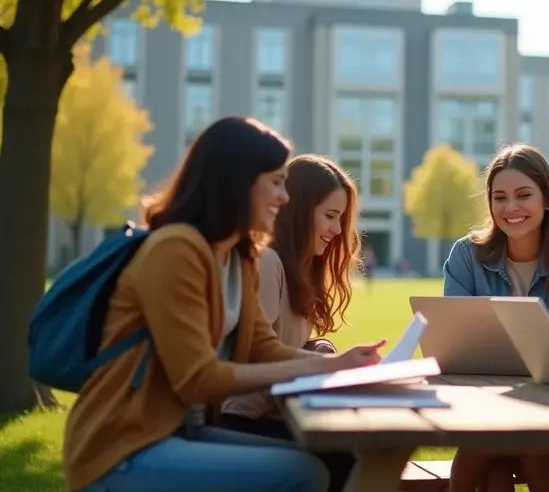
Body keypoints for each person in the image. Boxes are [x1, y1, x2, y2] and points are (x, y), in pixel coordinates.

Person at [64, 117, 385, 492]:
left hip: (179, 431)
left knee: (321, 467)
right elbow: (199, 377)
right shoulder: (175, 250)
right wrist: (321, 369)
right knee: (300, 473)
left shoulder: (240, 257)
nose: (284, 198)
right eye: (276, 184)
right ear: (238, 183)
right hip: (121, 447)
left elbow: (263, 347)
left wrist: (340, 365)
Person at [442, 143, 549, 492]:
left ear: (546, 198)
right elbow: (454, 339)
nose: (510, 208)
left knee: (521, 450)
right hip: (486, 396)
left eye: (523, 195)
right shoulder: (466, 255)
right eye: (499, 197)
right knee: (492, 459)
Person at [220, 154, 363, 490]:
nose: (337, 230)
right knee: (345, 457)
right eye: (330, 216)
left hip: (280, 414)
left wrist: (321, 350)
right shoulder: (268, 263)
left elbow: (287, 347)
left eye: (341, 219)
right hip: (241, 419)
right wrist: (329, 364)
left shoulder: (301, 269)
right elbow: (260, 354)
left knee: (351, 452)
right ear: (298, 212)